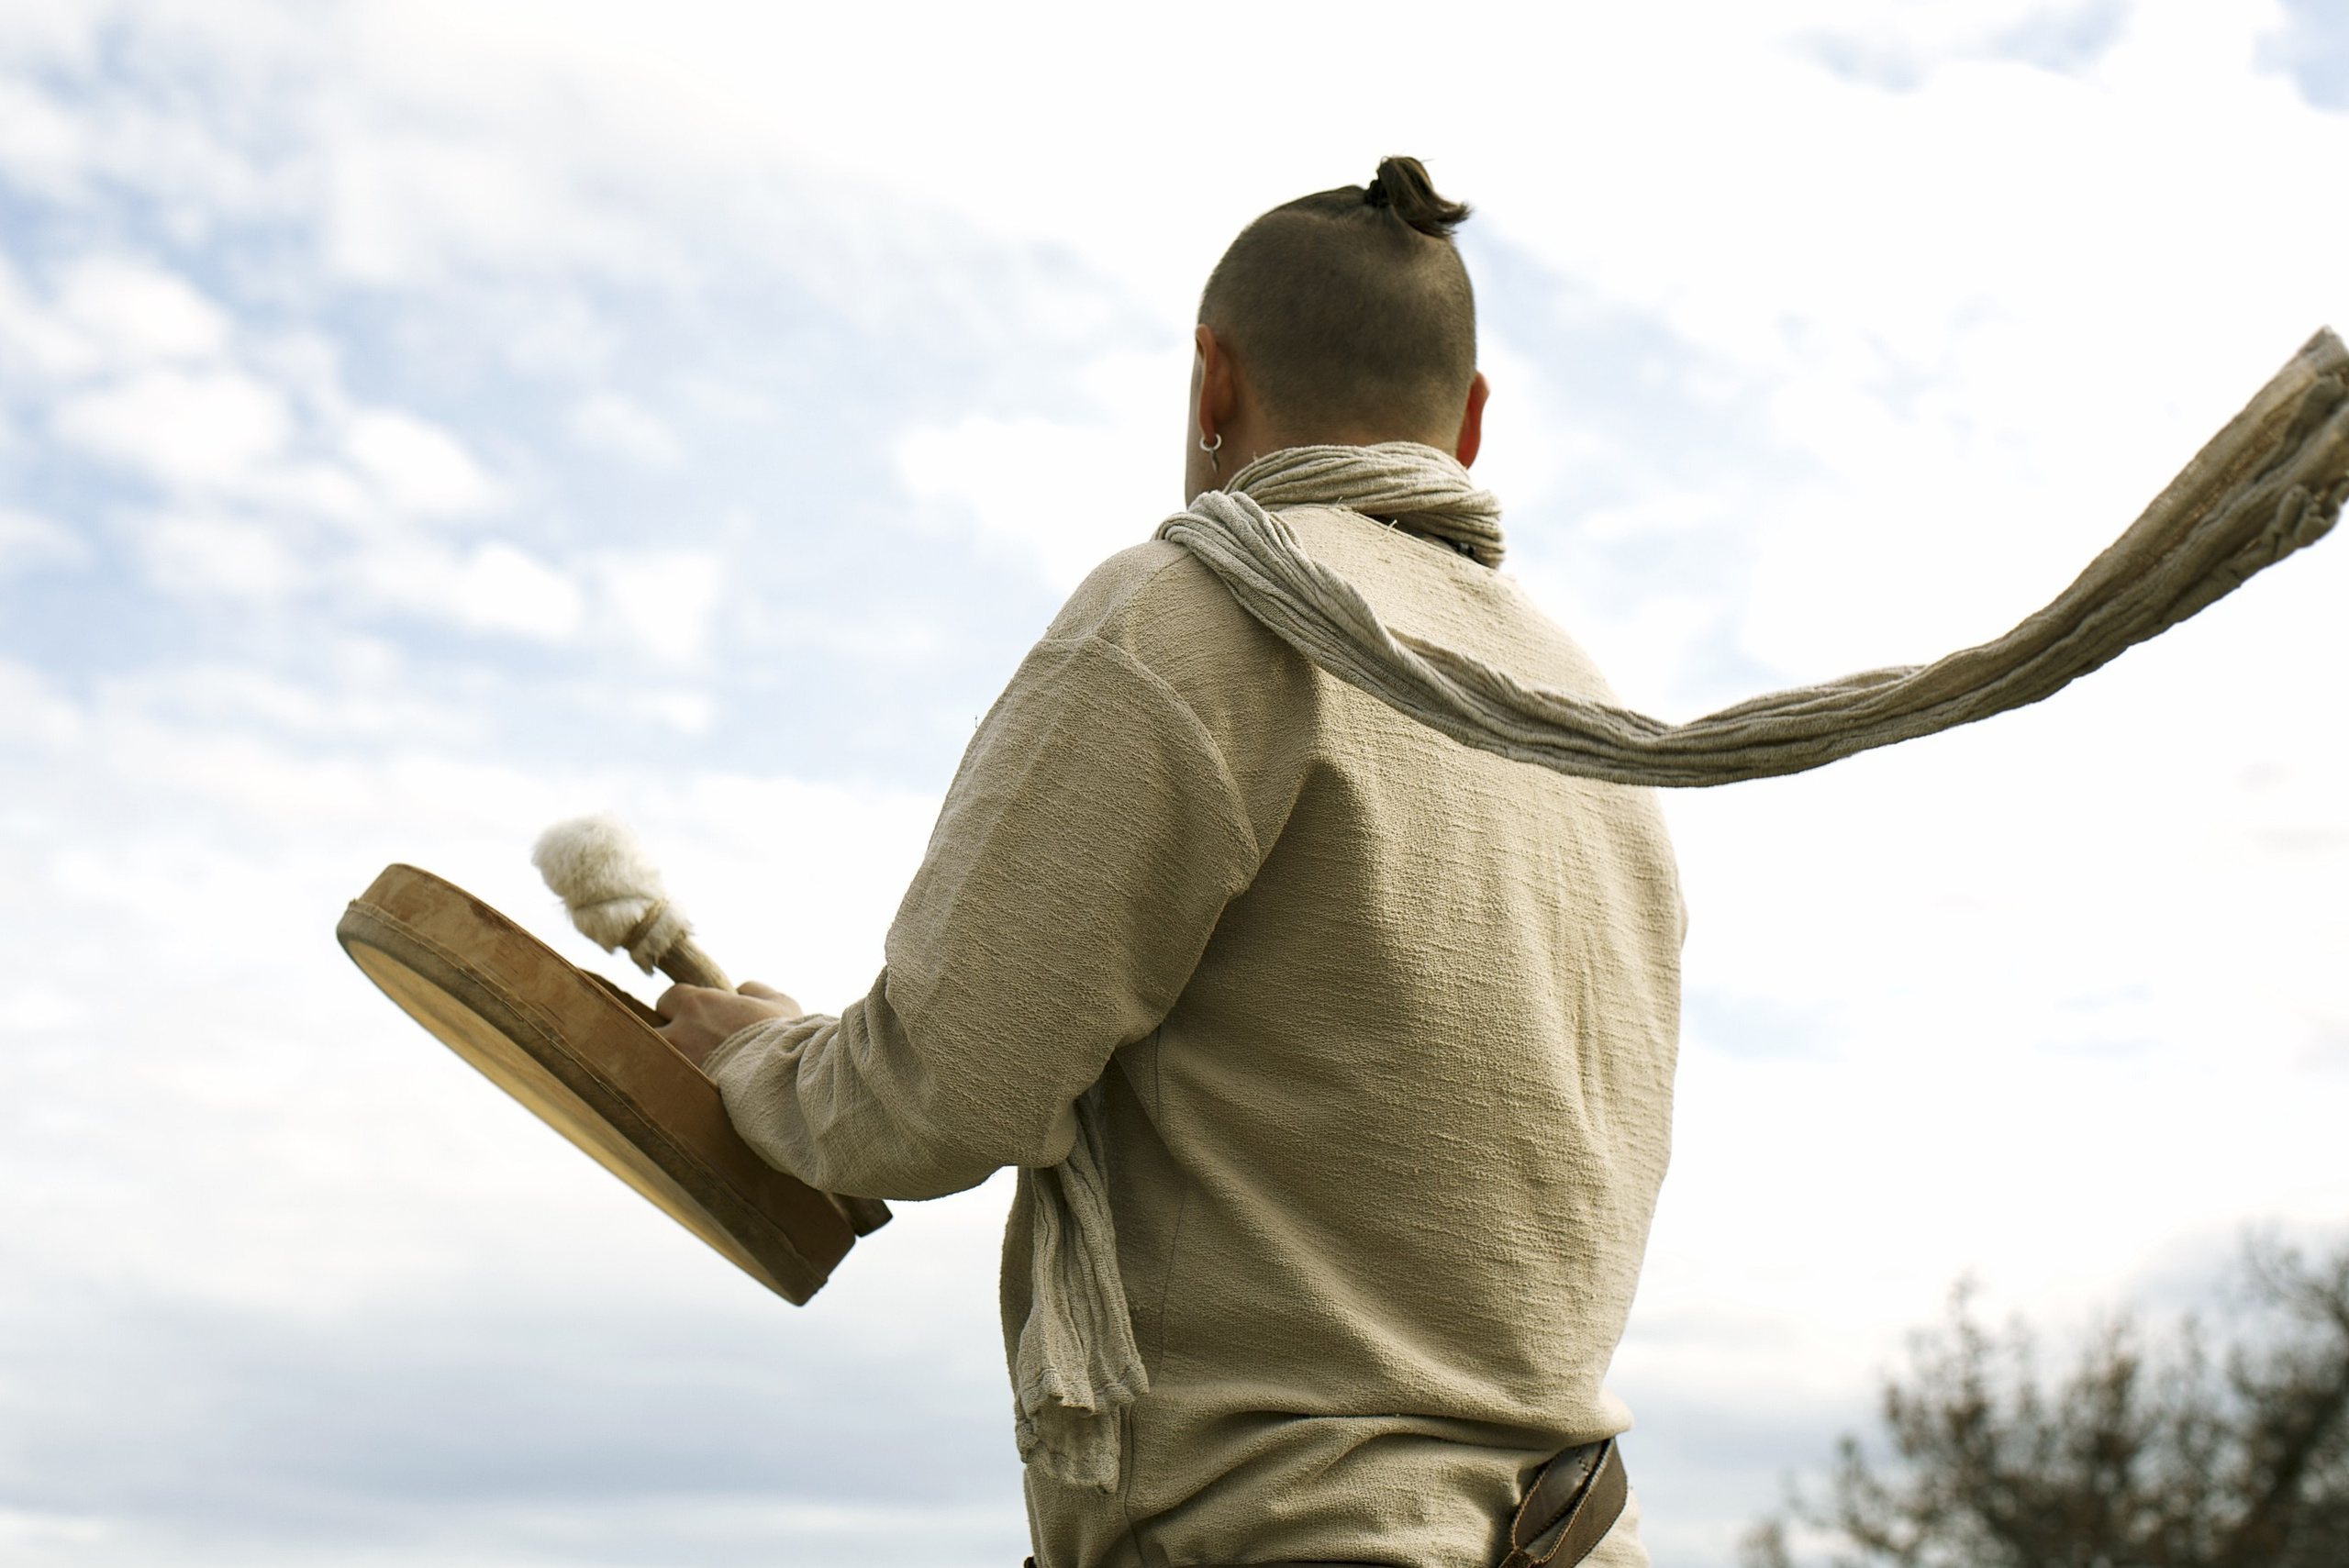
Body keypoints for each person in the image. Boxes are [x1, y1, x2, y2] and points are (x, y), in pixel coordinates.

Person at [657, 156, 1682, 1568]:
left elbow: (932, 1095)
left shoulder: (1195, 617)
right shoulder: (1587, 725)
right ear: (1473, 424)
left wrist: (758, 1060)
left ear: (1213, 381)